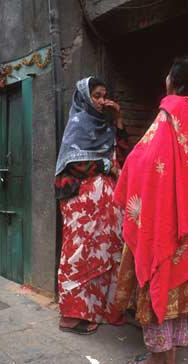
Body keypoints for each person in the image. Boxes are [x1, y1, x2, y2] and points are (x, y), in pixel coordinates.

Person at [113, 57, 188, 364]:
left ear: (176, 80)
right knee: (174, 283)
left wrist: (124, 174)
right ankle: (168, 360)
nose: (165, 78)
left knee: (157, 272)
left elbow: (146, 155)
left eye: (168, 73)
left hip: (167, 216)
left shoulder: (172, 110)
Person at [55, 76, 129, 334]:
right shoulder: (78, 124)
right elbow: (73, 165)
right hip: (82, 204)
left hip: (106, 206)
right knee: (78, 254)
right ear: (85, 96)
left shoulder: (105, 125)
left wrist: (117, 119)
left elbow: (123, 155)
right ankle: (71, 316)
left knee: (105, 256)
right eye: (96, 95)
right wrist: (104, 166)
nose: (101, 100)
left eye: (104, 95)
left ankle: (97, 311)